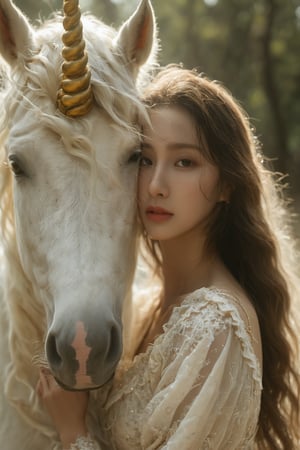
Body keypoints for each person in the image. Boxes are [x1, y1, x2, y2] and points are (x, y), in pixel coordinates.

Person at [37, 65, 300, 449]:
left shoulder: (216, 326)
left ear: (227, 183)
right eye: (144, 159)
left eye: (184, 162)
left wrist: (73, 430)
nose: (157, 186)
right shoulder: (147, 305)